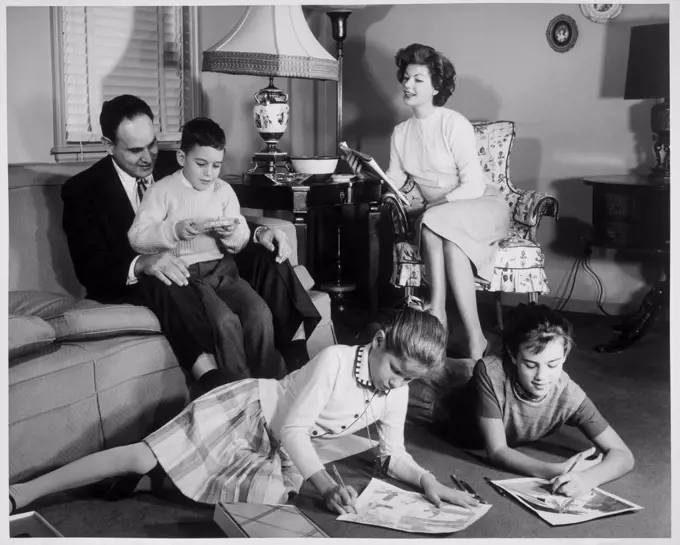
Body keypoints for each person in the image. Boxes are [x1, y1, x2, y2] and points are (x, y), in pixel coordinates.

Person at [8, 303, 481, 516]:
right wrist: (322, 482)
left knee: (260, 503)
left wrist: (427, 480)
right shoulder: (336, 361)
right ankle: (25, 492)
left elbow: (391, 452)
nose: (397, 385)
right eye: (396, 370)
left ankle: (149, 481)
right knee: (141, 454)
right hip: (251, 409)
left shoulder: (395, 390)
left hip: (275, 447)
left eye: (409, 381)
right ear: (378, 342)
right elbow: (295, 431)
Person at [61, 95, 320, 393]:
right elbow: (89, 267)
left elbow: (215, 211)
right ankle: (210, 376)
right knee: (162, 275)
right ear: (109, 145)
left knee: (266, 252)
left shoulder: (182, 161)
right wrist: (143, 263)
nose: (148, 157)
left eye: (152, 144)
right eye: (135, 150)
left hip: (204, 260)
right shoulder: (83, 190)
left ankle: (297, 355)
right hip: (142, 276)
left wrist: (260, 232)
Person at [345, 43, 510, 361]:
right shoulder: (401, 133)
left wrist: (436, 205)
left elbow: (474, 184)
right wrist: (367, 175)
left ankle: (438, 310)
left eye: (418, 79)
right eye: (406, 78)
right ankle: (476, 338)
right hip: (444, 217)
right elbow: (395, 182)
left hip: (482, 206)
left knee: (432, 221)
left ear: (436, 86)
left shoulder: (453, 123)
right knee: (446, 239)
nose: (408, 85)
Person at [128, 116, 287, 381]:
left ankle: (272, 382)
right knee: (224, 322)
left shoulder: (223, 191)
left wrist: (231, 232)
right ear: (181, 158)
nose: (209, 173)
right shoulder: (161, 191)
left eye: (216, 165)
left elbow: (240, 242)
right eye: (200, 164)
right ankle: (239, 387)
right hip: (189, 275)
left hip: (224, 270)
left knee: (259, 312)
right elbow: (137, 238)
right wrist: (173, 231)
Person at [433, 304, 635, 498]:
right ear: (512, 355)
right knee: (416, 367)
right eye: (530, 365)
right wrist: (557, 470)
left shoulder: (569, 394)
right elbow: (497, 451)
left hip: (474, 381)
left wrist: (588, 479)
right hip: (441, 402)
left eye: (552, 364)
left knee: (463, 367)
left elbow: (624, 455)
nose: (541, 376)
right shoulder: (490, 372)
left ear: (565, 355)